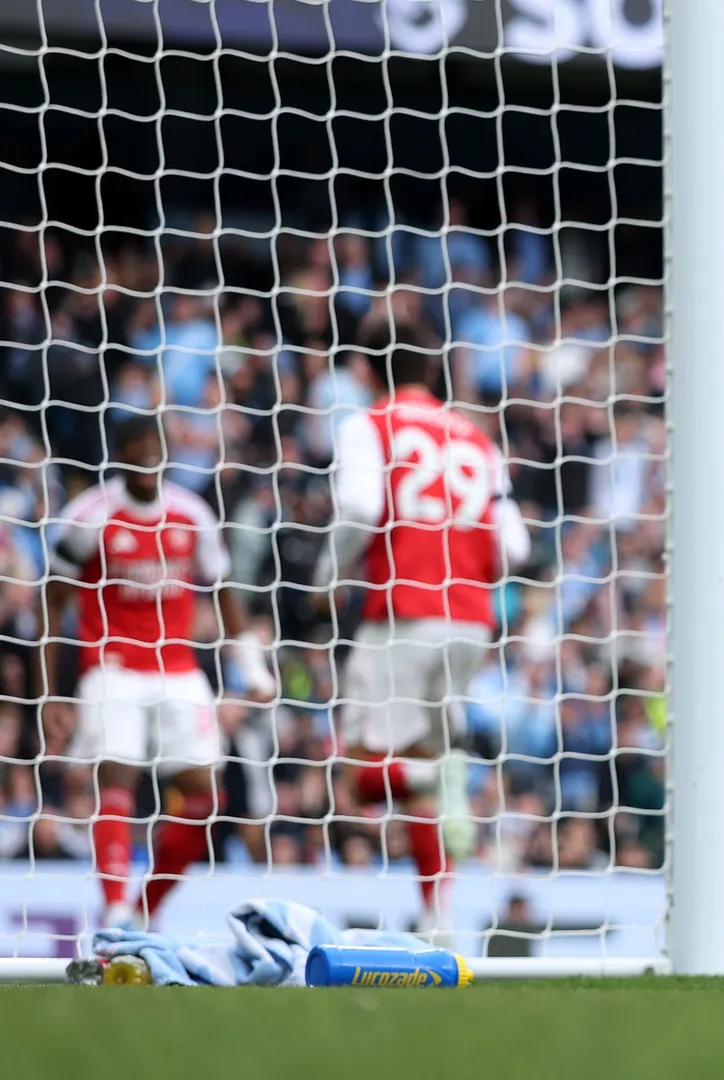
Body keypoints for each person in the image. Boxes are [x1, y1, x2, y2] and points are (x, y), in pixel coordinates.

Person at [323, 327, 532, 939]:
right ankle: (437, 916)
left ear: (366, 369)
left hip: (402, 611)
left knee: (361, 774)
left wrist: (327, 573)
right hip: (470, 620)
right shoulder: (474, 437)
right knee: (419, 753)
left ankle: (441, 781)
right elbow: (515, 544)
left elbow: (360, 508)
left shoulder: (371, 424)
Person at [40, 412, 274, 929]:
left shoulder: (193, 514)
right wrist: (51, 694)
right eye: (137, 444)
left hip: (178, 668)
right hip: (112, 667)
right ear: (120, 454)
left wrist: (253, 671)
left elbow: (225, 595)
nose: (148, 453)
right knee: (117, 775)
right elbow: (53, 604)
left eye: (156, 444)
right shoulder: (89, 516)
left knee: (207, 798)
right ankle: (116, 904)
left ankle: (146, 912)